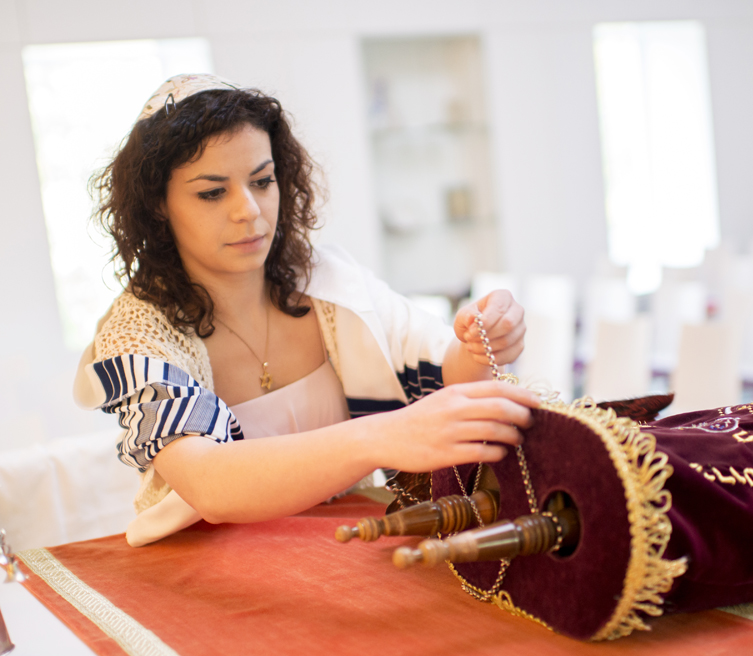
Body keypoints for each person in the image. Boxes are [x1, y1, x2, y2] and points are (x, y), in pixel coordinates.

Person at [73, 74, 538, 547]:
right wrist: (383, 436)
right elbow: (209, 485)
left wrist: (481, 342)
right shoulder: (136, 333)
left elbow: (445, 373)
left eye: (262, 181)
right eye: (212, 192)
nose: (249, 210)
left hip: (349, 542)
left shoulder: (329, 280)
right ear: (157, 205)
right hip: (209, 565)